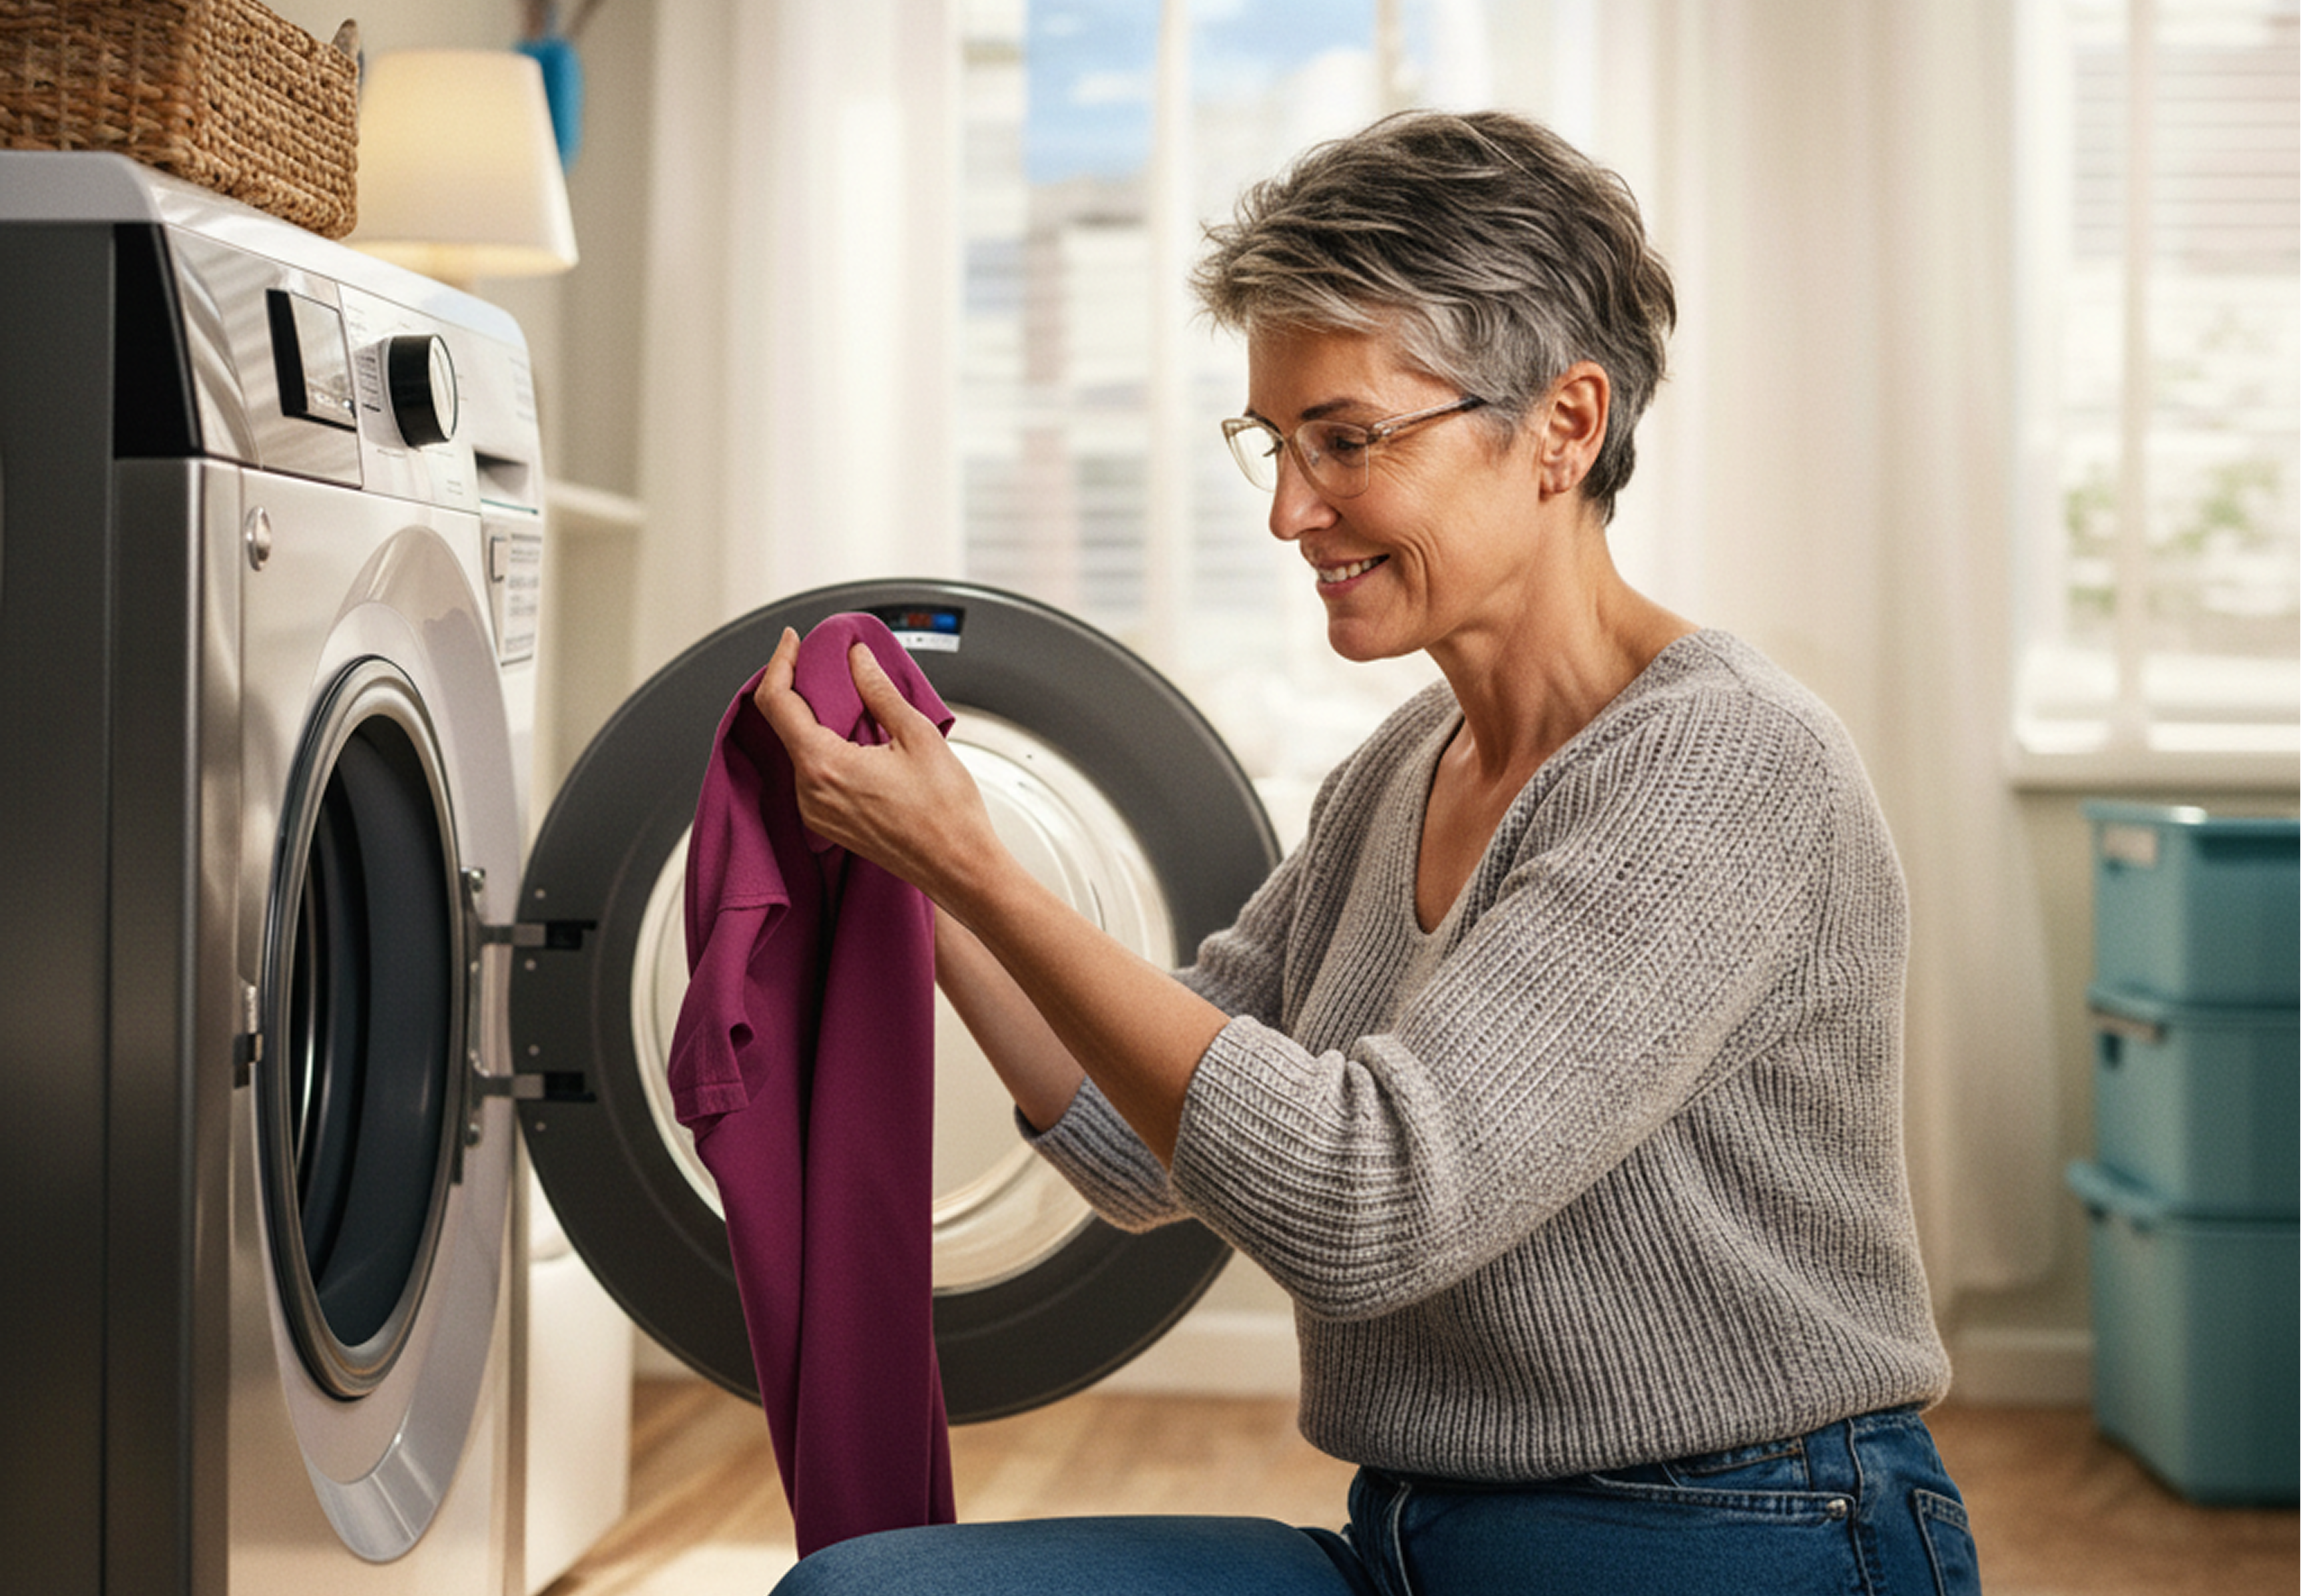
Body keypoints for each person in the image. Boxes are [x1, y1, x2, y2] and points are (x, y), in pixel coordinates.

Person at [756, 109, 1978, 1596]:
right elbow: (1145, 1144)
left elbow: (1366, 1199)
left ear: (1563, 427)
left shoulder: (1725, 765)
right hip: (1418, 1538)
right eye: (1273, 445)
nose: (1287, 510)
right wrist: (912, 871)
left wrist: (983, 872)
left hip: (1739, 1534)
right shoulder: (1400, 765)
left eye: (1345, 440)